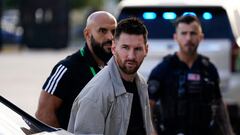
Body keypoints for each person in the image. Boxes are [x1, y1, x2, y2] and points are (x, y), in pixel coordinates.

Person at [148, 15, 234, 135]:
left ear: (201, 37)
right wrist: (152, 132)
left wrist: (228, 132)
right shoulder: (163, 69)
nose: (188, 38)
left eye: (193, 33)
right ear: (175, 37)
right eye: (183, 33)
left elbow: (219, 106)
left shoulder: (209, 69)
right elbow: (148, 106)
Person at [67, 17, 155, 135]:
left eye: (138, 49)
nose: (131, 56)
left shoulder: (141, 83)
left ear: (146, 50)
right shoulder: (96, 95)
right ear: (113, 48)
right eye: (125, 47)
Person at [35, 11, 117, 129]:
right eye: (103, 31)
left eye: (114, 31)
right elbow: (43, 114)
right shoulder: (68, 68)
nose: (110, 37)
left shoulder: (114, 67)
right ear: (87, 34)